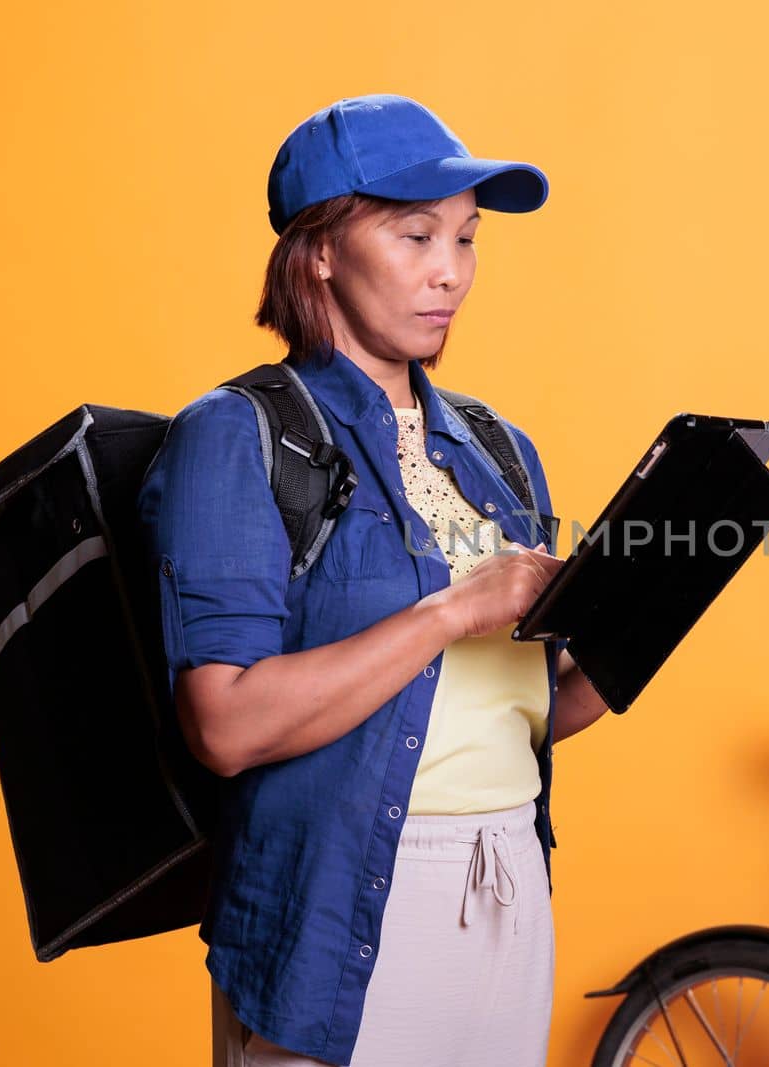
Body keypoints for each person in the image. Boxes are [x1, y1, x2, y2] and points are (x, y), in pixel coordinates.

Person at [136, 93, 613, 1067]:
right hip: (343, 891)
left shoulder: (497, 448)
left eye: (467, 239)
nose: (451, 271)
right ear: (319, 250)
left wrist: (631, 631)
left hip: (511, 877)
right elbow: (224, 725)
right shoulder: (237, 435)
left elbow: (526, 710)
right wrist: (450, 611)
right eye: (414, 234)